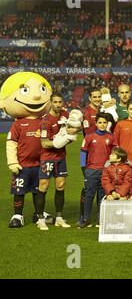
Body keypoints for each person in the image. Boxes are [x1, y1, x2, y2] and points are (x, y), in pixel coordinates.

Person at [0, 72, 53, 228]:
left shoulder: (44, 122)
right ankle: (18, 215)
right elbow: (11, 144)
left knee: (39, 191)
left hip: (40, 164)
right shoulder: (17, 125)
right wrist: (12, 162)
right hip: (22, 165)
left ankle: (39, 214)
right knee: (19, 190)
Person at [36, 92, 79, 230]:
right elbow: (44, 143)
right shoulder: (46, 121)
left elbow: (75, 129)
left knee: (60, 186)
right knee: (43, 186)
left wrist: (72, 132)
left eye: (60, 102)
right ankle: (40, 219)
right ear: (50, 103)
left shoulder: (65, 115)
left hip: (61, 158)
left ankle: (59, 218)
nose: (58, 105)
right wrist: (58, 142)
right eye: (55, 102)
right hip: (48, 158)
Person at [79, 112, 115, 229]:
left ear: (107, 124)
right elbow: (83, 152)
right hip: (91, 170)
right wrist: (84, 167)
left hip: (105, 171)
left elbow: (114, 154)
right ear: (96, 123)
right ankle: (86, 218)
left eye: (105, 122)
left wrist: (110, 168)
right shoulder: (89, 136)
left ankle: (101, 220)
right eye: (100, 122)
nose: (102, 125)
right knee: (89, 195)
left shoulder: (111, 137)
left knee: (102, 196)